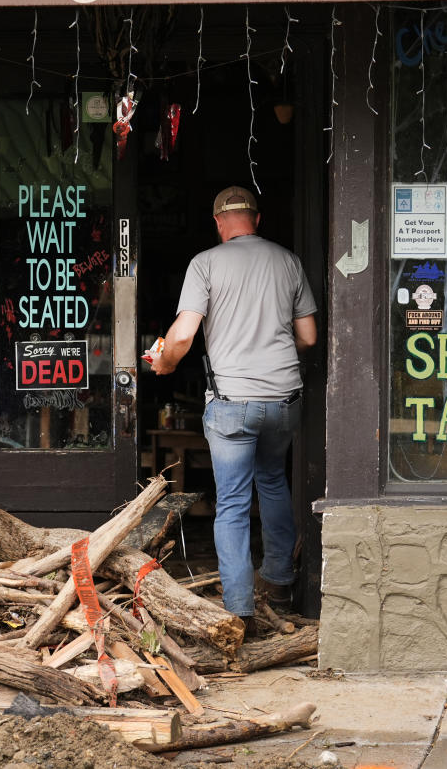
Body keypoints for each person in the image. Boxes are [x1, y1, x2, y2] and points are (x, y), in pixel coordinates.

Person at [149, 186, 317, 637]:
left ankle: (240, 608)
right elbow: (309, 337)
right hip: (284, 400)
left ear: (219, 223)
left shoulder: (205, 263)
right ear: (256, 220)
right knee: (274, 481)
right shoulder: (288, 261)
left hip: (232, 404)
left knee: (233, 505)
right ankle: (279, 585)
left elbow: (182, 337)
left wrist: (164, 361)